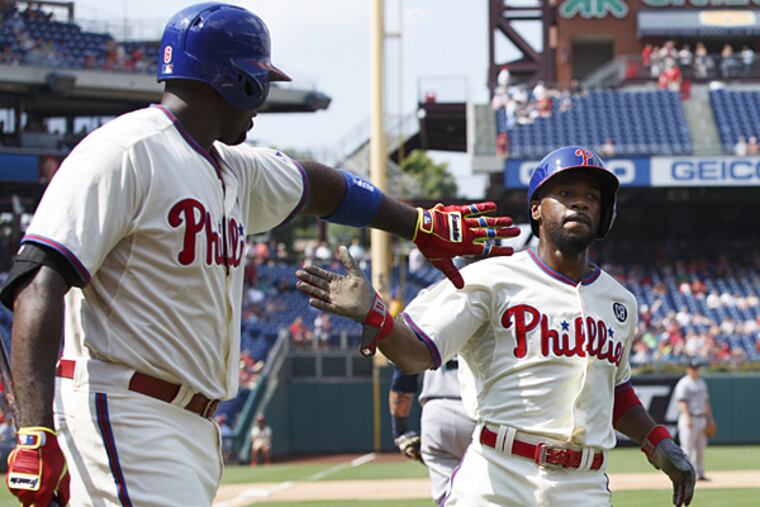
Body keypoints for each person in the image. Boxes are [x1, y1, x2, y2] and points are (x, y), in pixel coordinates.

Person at [0, 3, 520, 506]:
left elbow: (323, 186)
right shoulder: (126, 152)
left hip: (189, 424)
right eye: (261, 83)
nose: (262, 99)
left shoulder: (233, 168)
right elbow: (39, 280)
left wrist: (418, 224)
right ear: (236, 81)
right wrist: (35, 431)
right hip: (125, 409)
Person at [296, 146, 695, 507]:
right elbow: (415, 354)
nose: (580, 204)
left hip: (583, 485)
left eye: (592, 197)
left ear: (605, 214)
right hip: (498, 476)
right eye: (567, 193)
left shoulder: (620, 301)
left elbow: (616, 391)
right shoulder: (491, 278)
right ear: (537, 209)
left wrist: (657, 441)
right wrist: (376, 315)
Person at [389, 360, 476, 504]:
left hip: (436, 412)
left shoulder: (428, 335)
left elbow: (402, 380)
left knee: (448, 499)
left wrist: (400, 432)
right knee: (493, 492)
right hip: (479, 412)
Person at [674, 360, 714, 481]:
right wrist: (687, 417)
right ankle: (686, 474)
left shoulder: (701, 382)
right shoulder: (684, 383)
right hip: (690, 417)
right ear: (688, 369)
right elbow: (682, 402)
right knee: (687, 448)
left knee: (700, 449)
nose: (696, 370)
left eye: (697, 368)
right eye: (693, 368)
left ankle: (699, 473)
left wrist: (710, 419)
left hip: (702, 418)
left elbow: (706, 402)